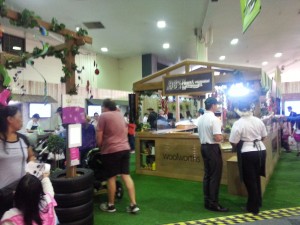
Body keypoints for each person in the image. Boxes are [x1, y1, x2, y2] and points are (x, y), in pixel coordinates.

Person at [96, 99, 139, 213]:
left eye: (102, 107)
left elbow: (99, 135)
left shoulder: (103, 116)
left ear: (105, 107)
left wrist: (100, 147)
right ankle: (133, 205)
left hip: (111, 150)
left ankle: (111, 205)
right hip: (125, 149)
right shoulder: (120, 115)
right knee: (126, 175)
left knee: (111, 178)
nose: (101, 109)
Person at [229, 99, 267, 215]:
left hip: (247, 152)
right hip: (261, 150)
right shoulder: (258, 120)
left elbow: (233, 142)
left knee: (249, 180)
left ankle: (253, 207)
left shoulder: (238, 123)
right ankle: (257, 202)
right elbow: (264, 136)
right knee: (256, 178)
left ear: (239, 111)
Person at [0, 106, 36, 217]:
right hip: (2, 194)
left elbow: (31, 156)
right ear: (10, 119)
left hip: (21, 192)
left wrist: (31, 166)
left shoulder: (23, 139)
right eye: (20, 117)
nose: (22, 120)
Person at [197, 97, 228, 212]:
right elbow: (217, 137)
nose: (217, 107)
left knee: (207, 175)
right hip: (212, 148)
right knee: (215, 176)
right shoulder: (214, 119)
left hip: (204, 147)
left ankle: (207, 201)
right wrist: (223, 136)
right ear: (213, 105)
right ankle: (214, 203)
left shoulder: (200, 118)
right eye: (216, 105)